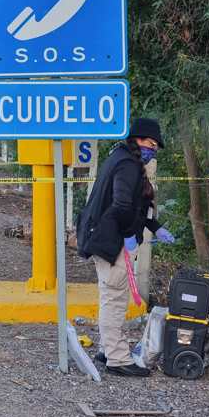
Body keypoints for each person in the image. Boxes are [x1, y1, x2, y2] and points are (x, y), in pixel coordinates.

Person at [76, 118, 175, 378]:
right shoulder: (128, 164)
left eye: (155, 146)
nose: (153, 150)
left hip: (105, 237)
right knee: (114, 298)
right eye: (150, 144)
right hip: (113, 241)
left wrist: (154, 226)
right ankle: (117, 359)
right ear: (137, 139)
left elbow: (135, 205)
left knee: (110, 296)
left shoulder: (121, 158)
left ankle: (108, 349)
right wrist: (130, 235)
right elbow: (121, 206)